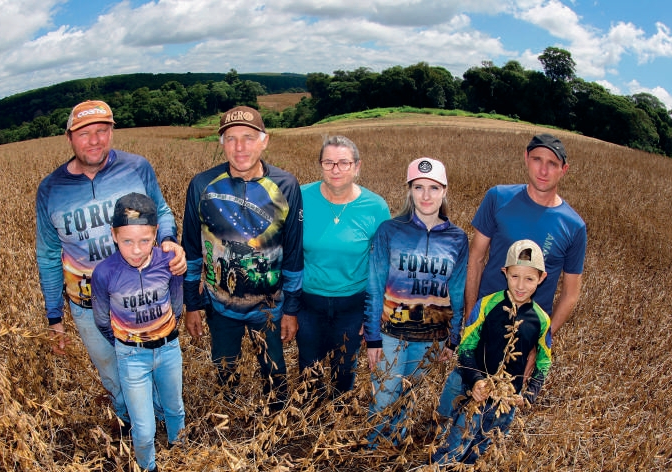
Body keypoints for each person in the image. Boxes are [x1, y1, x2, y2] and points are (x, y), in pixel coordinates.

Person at [35, 100, 185, 439]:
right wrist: (54, 318)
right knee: (116, 377)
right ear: (69, 138)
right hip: (88, 305)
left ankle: (162, 426)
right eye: (85, 133)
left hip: (145, 298)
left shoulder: (137, 167)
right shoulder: (50, 190)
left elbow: (160, 211)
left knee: (156, 369)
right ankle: (130, 427)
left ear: (112, 132)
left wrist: (169, 241)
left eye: (102, 131)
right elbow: (47, 255)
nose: (94, 140)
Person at [434, 133, 586, 421]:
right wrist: (470, 315)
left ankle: (475, 458)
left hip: (524, 335)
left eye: (552, 164)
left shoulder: (574, 225)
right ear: (526, 159)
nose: (543, 170)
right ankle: (437, 445)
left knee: (495, 416)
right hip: (484, 321)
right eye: (537, 160)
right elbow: (476, 258)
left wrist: (540, 341)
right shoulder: (498, 197)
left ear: (564, 170)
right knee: (455, 397)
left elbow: (570, 293)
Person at [182, 106, 303, 412]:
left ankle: (277, 422)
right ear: (221, 143)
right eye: (231, 138)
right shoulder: (202, 185)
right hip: (219, 305)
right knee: (224, 370)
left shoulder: (286, 185)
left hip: (270, 307)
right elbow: (192, 252)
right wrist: (191, 305)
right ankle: (230, 420)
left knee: (275, 374)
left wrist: (291, 309)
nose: (240, 147)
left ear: (265, 141)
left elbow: (293, 254)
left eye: (249, 138)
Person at [364, 157, 468, 447]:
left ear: (444, 191)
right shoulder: (390, 230)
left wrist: (454, 338)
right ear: (409, 190)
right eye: (418, 187)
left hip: (431, 337)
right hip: (390, 334)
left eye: (434, 188)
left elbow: (458, 292)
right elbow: (374, 286)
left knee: (408, 395)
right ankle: (373, 451)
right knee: (385, 396)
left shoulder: (457, 238)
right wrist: (372, 338)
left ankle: (394, 446)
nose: (426, 195)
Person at [92, 193, 185, 472]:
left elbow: (176, 302)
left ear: (156, 234)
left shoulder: (168, 262)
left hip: (169, 349)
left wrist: (164, 331)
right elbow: (103, 320)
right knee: (143, 427)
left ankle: (180, 450)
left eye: (145, 241)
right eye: (127, 241)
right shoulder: (105, 273)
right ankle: (147, 470)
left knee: (174, 408)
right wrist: (126, 342)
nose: (136, 249)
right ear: (113, 236)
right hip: (131, 356)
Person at [432, 240, 552, 465]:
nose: (521, 285)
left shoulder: (542, 320)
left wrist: (528, 396)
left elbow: (544, 362)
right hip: (473, 387)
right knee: (454, 444)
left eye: (529, 279)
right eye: (515, 276)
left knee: (481, 448)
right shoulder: (486, 305)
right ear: (505, 272)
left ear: (541, 278)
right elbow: (467, 346)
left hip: (505, 399)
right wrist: (476, 381)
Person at [296, 135, 390, 398]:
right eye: (328, 163)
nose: (335, 169)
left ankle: (337, 419)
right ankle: (309, 427)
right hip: (308, 303)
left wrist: (373, 314)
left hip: (352, 305)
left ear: (357, 166)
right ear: (320, 165)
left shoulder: (376, 207)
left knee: (344, 373)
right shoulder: (300, 197)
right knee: (308, 372)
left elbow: (382, 264)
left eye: (344, 163)